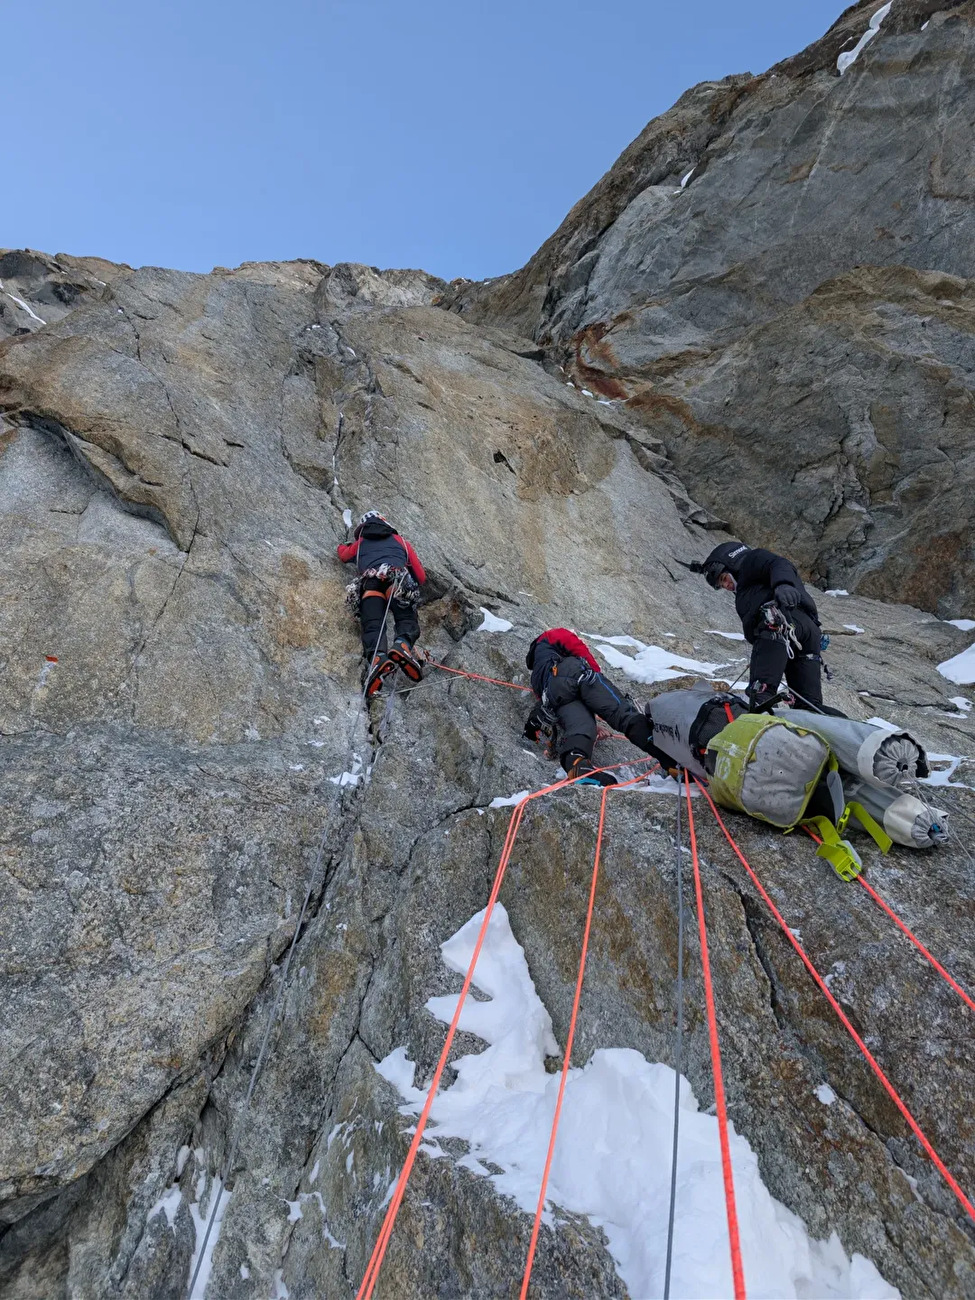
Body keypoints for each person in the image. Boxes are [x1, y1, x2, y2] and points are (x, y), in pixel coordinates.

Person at [690, 540, 832, 713]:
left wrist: (783, 584)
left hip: (778, 628)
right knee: (810, 706)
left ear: (731, 563)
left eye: (724, 578)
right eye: (721, 585)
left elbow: (778, 563)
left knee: (760, 696)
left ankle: (758, 720)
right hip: (808, 633)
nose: (726, 586)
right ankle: (847, 732)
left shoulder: (751, 560)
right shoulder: (748, 584)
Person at [523, 628, 654, 786]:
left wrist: (594, 727)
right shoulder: (550, 636)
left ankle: (577, 766)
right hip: (571, 672)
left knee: (581, 726)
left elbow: (560, 698)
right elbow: (579, 650)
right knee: (619, 711)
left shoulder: (536, 678)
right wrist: (597, 677)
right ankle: (664, 752)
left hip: (554, 696)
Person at [337, 511, 426, 697]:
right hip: (396, 578)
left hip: (370, 582)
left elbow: (344, 556)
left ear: (361, 529)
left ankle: (378, 658)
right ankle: (402, 644)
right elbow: (421, 576)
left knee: (373, 625)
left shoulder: (360, 543)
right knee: (405, 617)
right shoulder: (400, 541)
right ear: (385, 522)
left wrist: (342, 546)